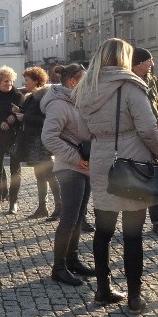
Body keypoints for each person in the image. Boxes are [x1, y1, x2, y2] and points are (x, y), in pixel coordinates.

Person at [75, 38, 158, 312]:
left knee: (103, 230)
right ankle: (135, 295)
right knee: (133, 233)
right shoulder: (130, 86)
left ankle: (102, 289)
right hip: (132, 159)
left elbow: (82, 133)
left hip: (103, 159)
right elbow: (149, 129)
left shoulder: (85, 87)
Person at [41, 63, 95, 286]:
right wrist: (75, 157)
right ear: (73, 81)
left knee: (78, 218)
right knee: (69, 219)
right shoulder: (58, 105)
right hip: (69, 167)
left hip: (83, 167)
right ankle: (59, 267)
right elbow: (49, 137)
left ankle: (72, 260)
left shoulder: (76, 101)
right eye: (85, 79)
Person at [131, 48, 158, 236]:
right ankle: (132, 223)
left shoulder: (154, 81)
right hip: (135, 139)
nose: (152, 64)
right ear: (138, 63)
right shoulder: (128, 83)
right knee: (135, 182)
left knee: (156, 180)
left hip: (156, 137)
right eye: (149, 61)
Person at [15, 66, 61, 220]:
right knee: (40, 176)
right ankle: (43, 207)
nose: (25, 83)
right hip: (34, 142)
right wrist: (20, 111)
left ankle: (59, 208)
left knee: (49, 176)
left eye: (27, 80)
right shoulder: (32, 97)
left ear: (36, 81)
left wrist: (25, 117)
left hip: (41, 142)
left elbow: (45, 120)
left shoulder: (43, 97)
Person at [0, 65, 25, 214]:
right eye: (5, 81)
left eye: (11, 81)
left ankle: (13, 202)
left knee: (16, 171)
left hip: (14, 137)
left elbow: (23, 113)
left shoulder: (18, 96)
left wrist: (14, 116)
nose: (9, 84)